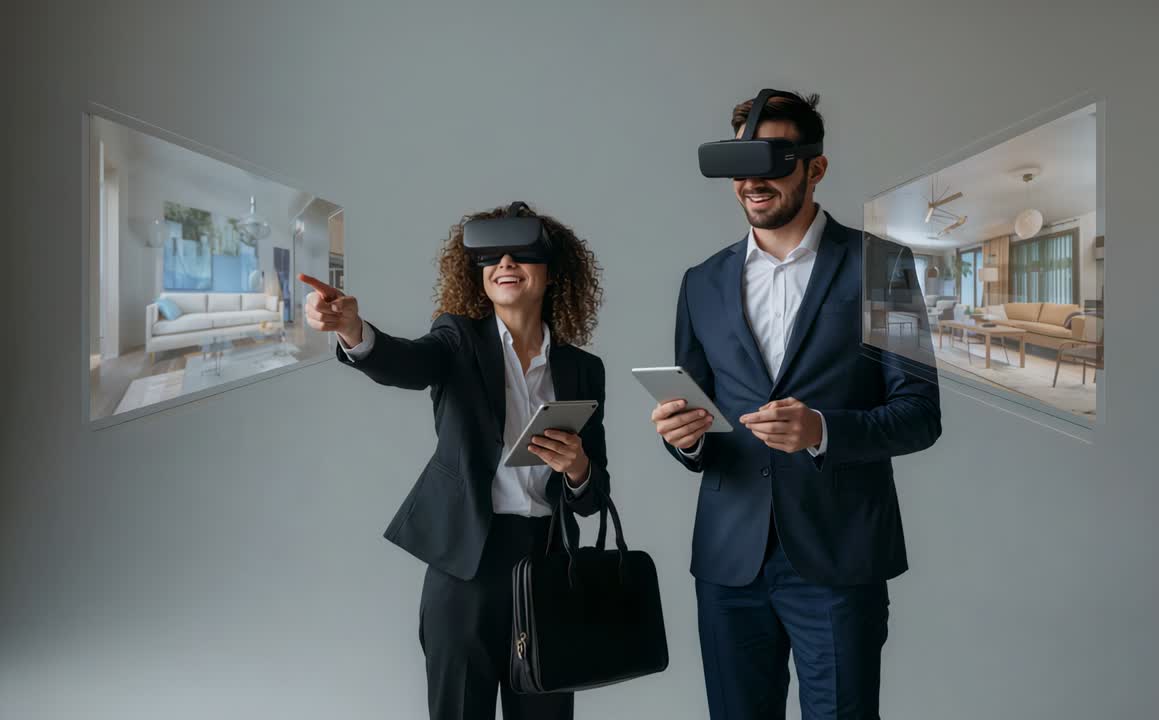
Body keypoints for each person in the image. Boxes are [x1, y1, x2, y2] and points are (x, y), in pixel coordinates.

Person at [650, 91, 942, 720]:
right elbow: (697, 415)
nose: (753, 181)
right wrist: (685, 437)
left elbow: (920, 413)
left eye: (774, 160)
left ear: (817, 167)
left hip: (839, 557)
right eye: (740, 164)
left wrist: (822, 431)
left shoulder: (880, 267)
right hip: (730, 562)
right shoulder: (701, 282)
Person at [302, 203, 608, 720]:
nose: (505, 263)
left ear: (552, 272)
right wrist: (354, 331)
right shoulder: (458, 339)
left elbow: (593, 496)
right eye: (490, 256)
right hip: (468, 566)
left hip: (548, 566)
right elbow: (405, 361)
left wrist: (577, 468)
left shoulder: (583, 369)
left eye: (522, 253)